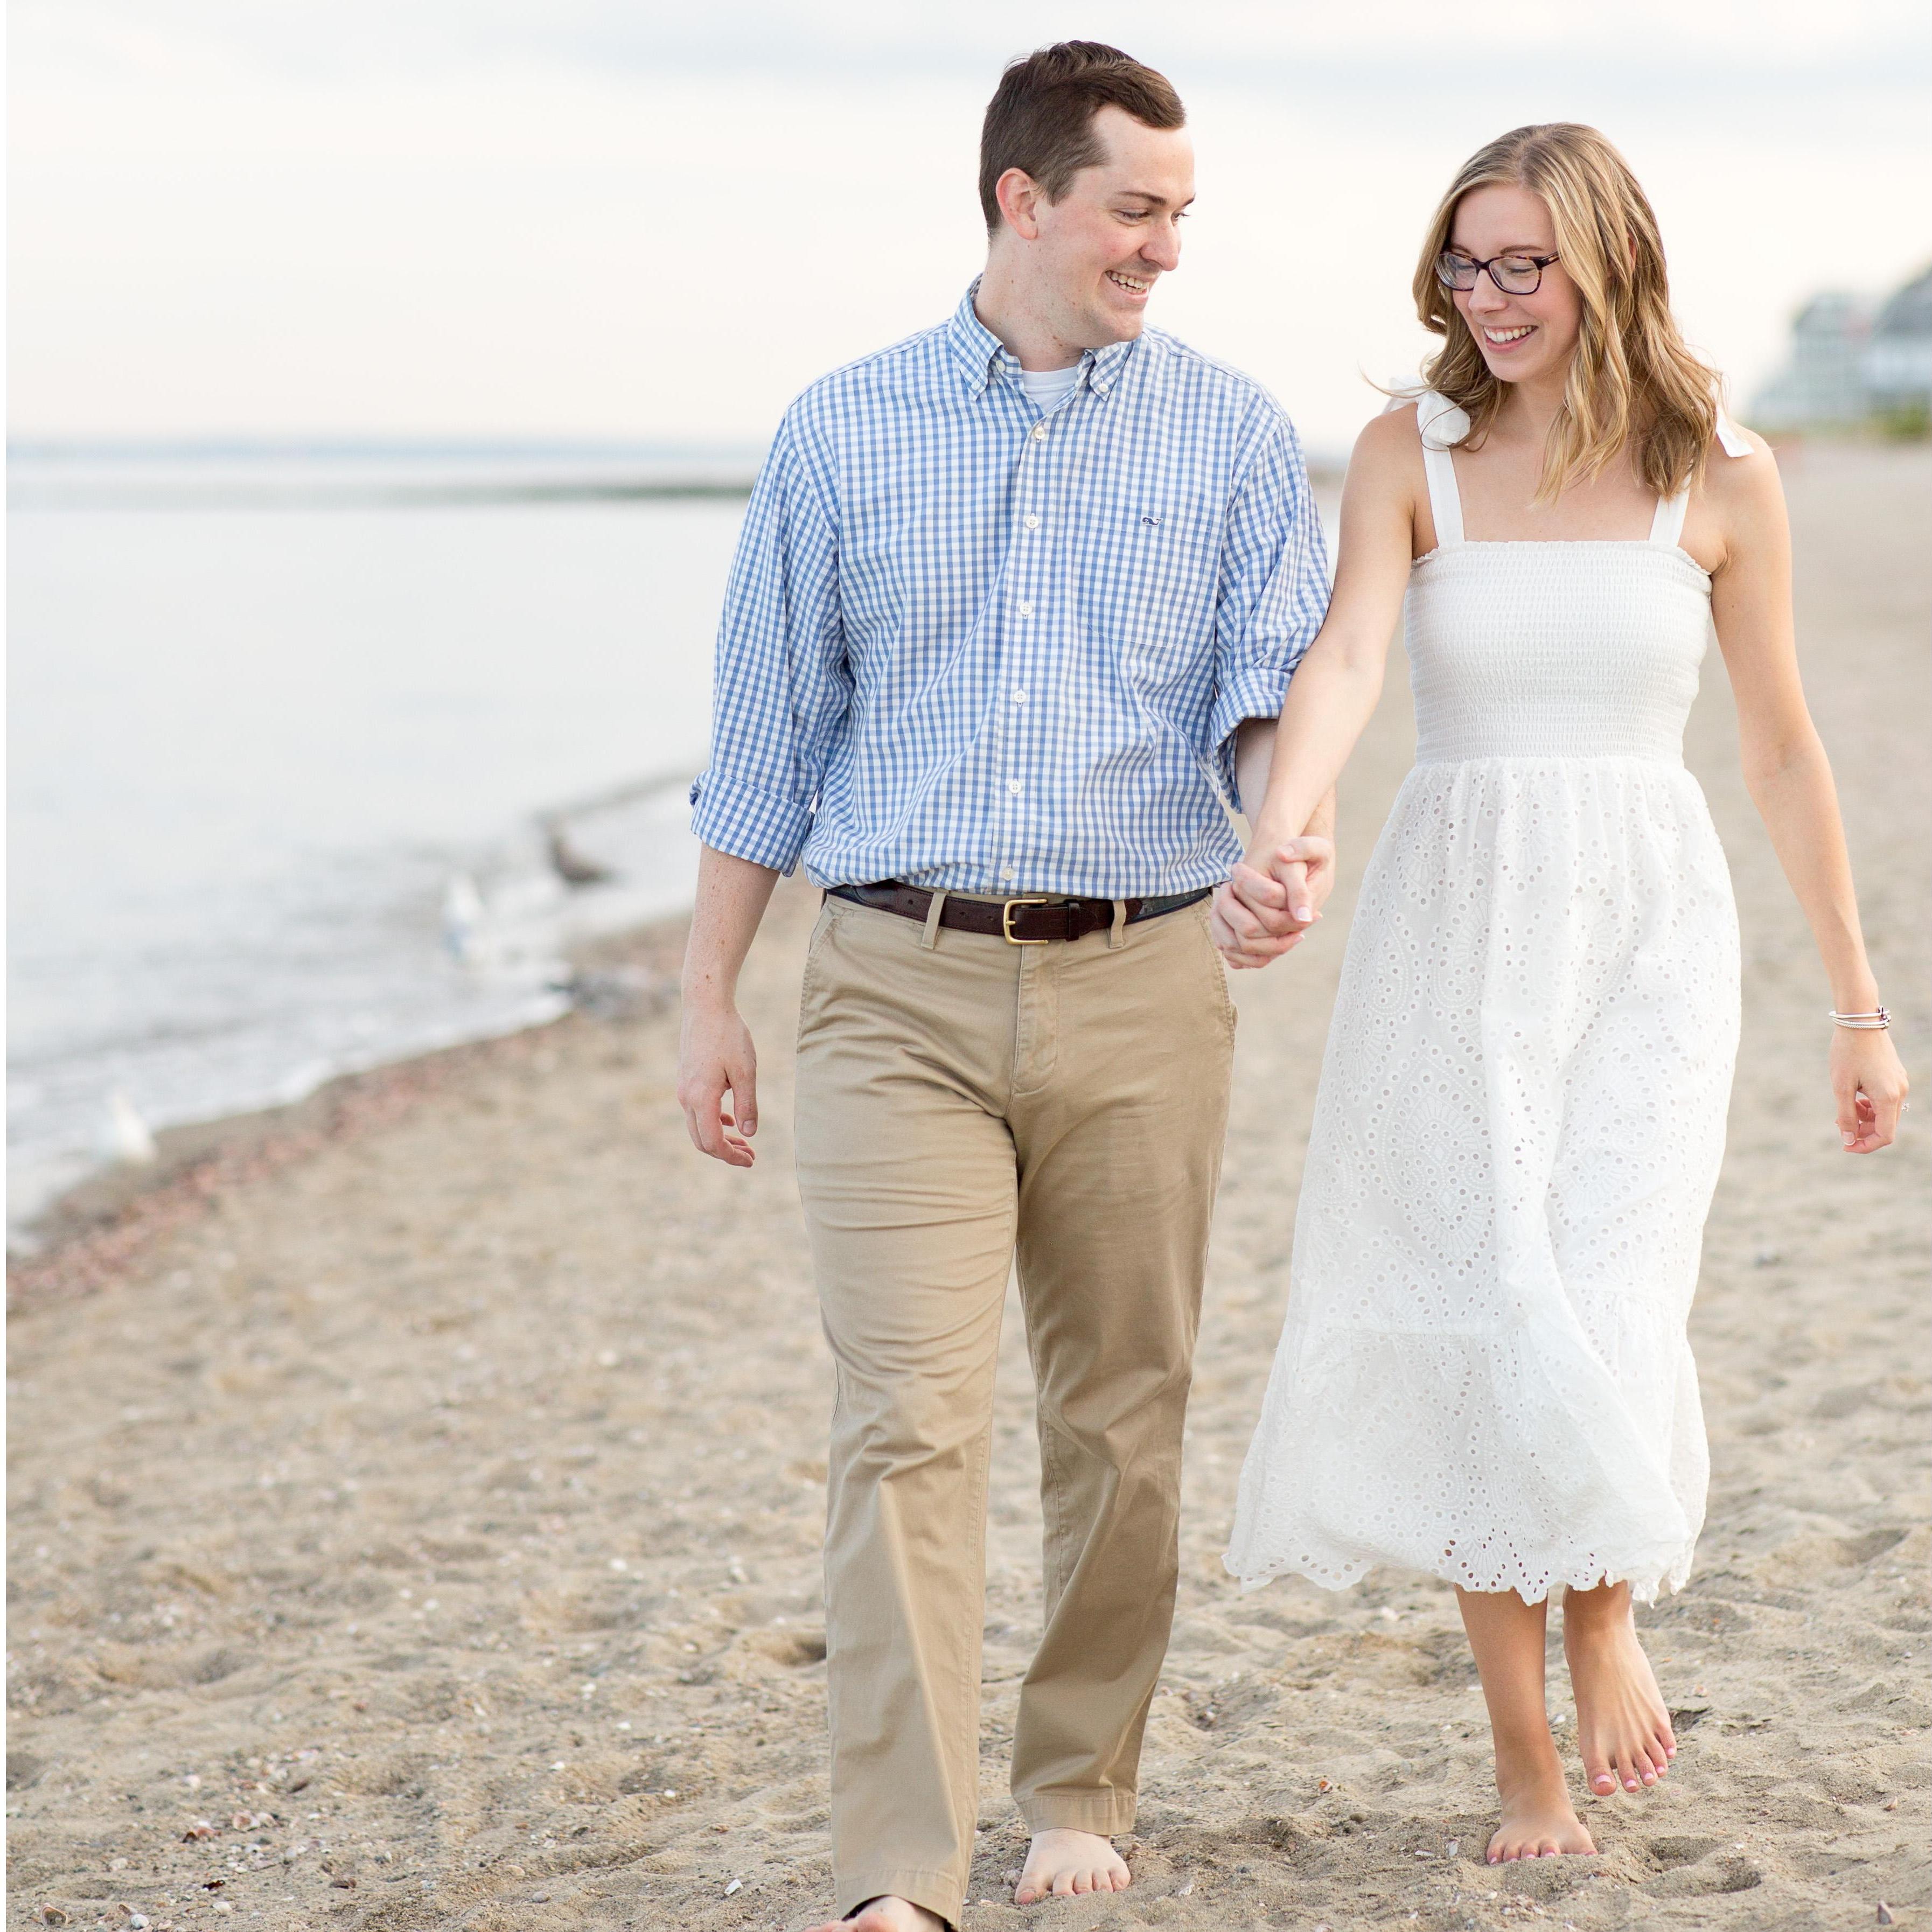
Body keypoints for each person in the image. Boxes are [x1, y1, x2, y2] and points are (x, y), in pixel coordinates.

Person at [676, 42, 1333, 1932]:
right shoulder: (840, 429)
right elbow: (764, 737)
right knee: (904, 1414)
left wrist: (1281, 839)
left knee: (1122, 1407)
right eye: (1135, 211)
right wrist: (707, 992)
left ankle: (1077, 1781)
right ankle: (897, 1867)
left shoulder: (1225, 433)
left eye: (1181, 216)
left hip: (1140, 976)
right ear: (1019, 201)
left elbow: (1271, 692)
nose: (1165, 251)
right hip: (891, 983)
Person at [1215, 123, 1908, 1866]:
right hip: (1454, 921)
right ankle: (1525, 1761)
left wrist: (1856, 1001)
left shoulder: (1720, 476)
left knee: (1602, 1297)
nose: (1492, 295)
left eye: (1525, 260)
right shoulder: (1409, 454)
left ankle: (1605, 1617)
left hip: (1649, 934)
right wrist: (1280, 834)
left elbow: (1777, 746)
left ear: (1606, 258)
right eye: (1466, 262)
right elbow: (1349, 658)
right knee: (1480, 1316)